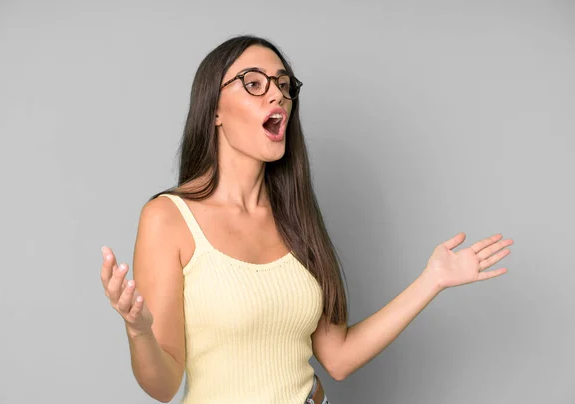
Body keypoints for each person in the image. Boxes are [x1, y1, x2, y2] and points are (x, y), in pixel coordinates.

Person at [99, 35, 513, 404]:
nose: (276, 95)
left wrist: (432, 280)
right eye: (254, 83)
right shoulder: (168, 218)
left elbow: (338, 357)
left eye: (283, 85)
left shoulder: (296, 219)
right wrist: (138, 330)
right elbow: (163, 386)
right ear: (214, 111)